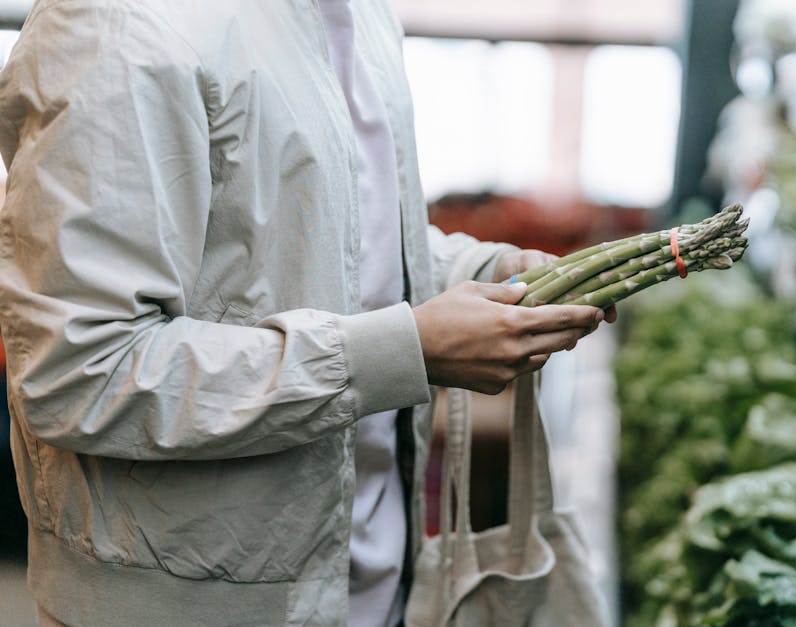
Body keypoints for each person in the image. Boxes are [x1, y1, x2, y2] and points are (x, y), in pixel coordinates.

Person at [0, 1, 614, 625]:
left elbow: (332, 238)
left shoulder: (360, 14)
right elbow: (81, 372)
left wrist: (481, 274)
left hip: (376, 581)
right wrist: (406, 352)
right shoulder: (118, 23)